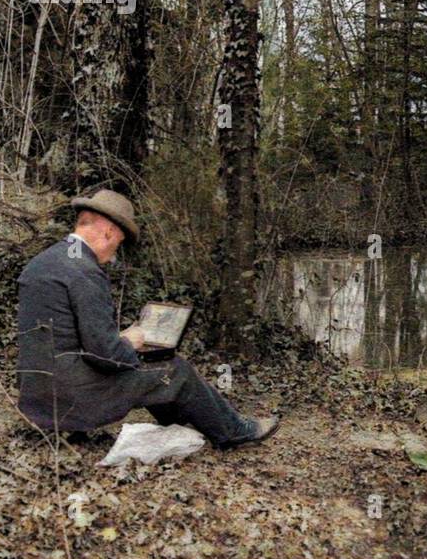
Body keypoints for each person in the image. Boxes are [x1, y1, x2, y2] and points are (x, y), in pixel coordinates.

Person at [16, 189, 278, 448]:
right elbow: (106, 357)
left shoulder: (42, 262)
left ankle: (182, 427)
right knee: (174, 369)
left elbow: (65, 337)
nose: (114, 255)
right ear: (109, 232)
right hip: (68, 395)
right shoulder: (85, 271)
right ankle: (234, 432)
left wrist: (117, 342)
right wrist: (128, 342)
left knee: (156, 369)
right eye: (119, 243)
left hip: (37, 392)